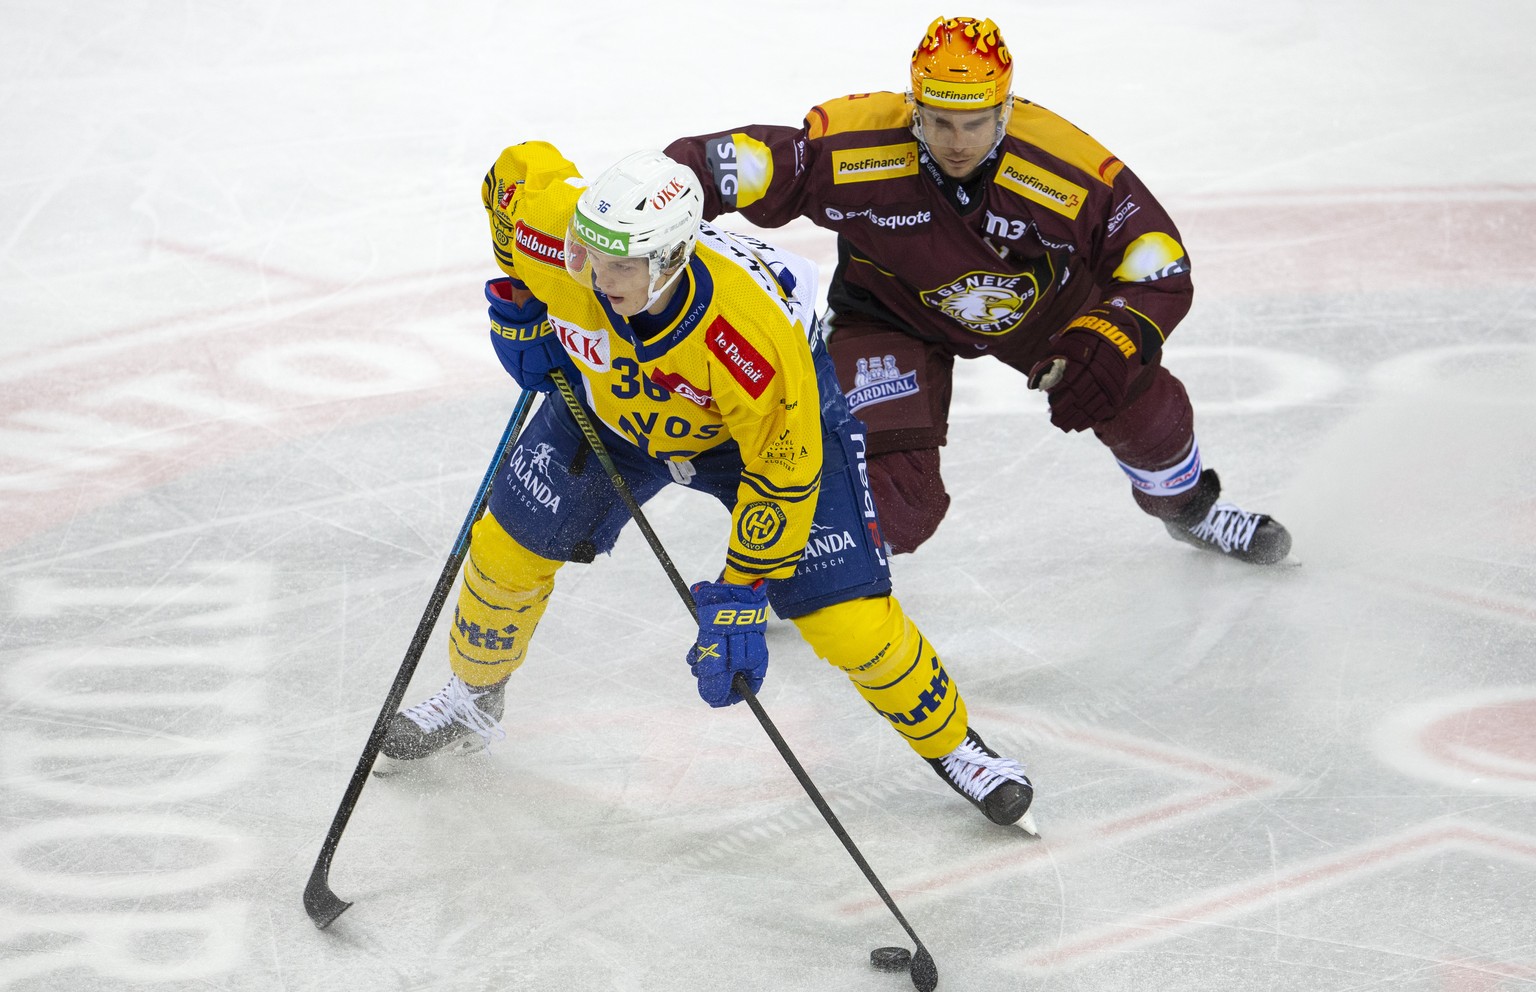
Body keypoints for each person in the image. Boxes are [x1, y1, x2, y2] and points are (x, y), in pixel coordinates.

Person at [380, 142, 1036, 829]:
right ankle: (473, 694)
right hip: (614, 410)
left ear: (670, 262)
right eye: (588, 257)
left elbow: (782, 479)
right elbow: (517, 172)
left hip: (746, 440)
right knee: (508, 546)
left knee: (847, 618)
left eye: (620, 266)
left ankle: (958, 747)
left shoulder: (749, 342)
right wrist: (520, 301)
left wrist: (743, 593)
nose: (597, 280)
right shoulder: (568, 239)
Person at [664, 15, 1291, 564]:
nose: (956, 142)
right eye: (938, 121)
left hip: (1038, 309)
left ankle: (1191, 512)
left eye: (975, 122)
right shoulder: (854, 147)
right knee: (895, 498)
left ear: (1006, 109)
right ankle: (795, 566)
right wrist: (655, 194)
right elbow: (745, 164)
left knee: (1142, 403)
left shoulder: (1062, 165)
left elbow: (1156, 262)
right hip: (889, 315)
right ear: (914, 108)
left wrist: (1111, 337)